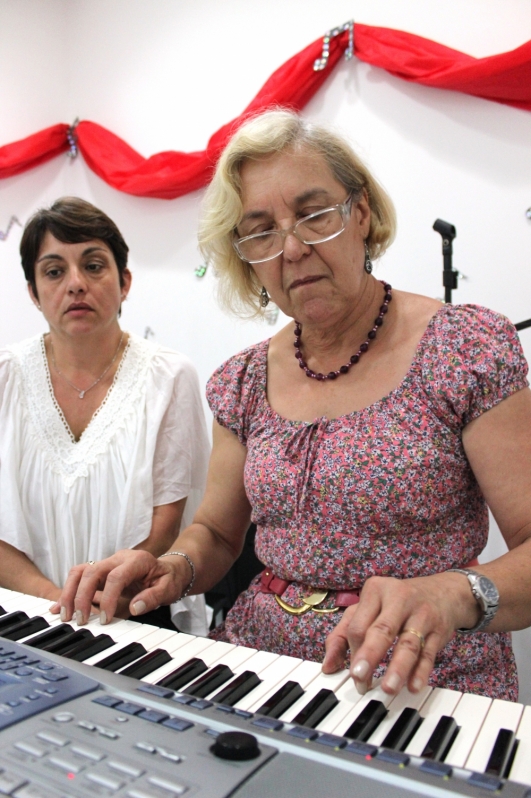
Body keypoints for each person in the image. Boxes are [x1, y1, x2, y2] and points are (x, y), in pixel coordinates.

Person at [58, 112, 531, 701]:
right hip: (263, 671)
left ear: (361, 214)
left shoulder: (461, 350)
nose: (292, 247)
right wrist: (172, 567)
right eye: (261, 231)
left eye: (314, 214)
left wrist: (450, 594)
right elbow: (215, 533)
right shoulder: (245, 379)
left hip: (424, 680)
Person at [0, 197, 210, 634]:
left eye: (94, 266)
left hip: (132, 618)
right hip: (22, 616)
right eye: (54, 271)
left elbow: (165, 527)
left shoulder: (170, 377)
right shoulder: (5, 378)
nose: (75, 283)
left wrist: (96, 607)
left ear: (124, 281)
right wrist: (57, 608)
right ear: (34, 293)